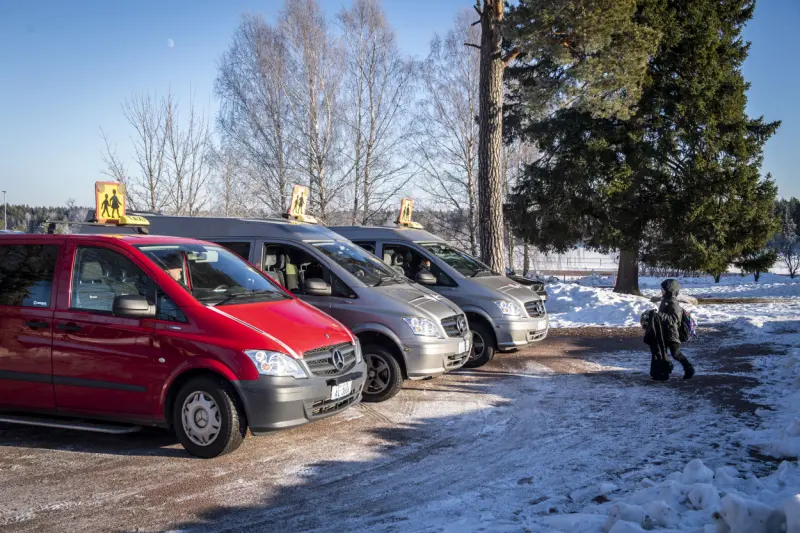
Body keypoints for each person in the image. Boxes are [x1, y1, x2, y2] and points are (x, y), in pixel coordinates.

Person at [643, 279, 695, 381]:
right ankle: (663, 372)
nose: (661, 291)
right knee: (661, 352)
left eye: (663, 289)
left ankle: (689, 369)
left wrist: (659, 315)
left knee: (675, 354)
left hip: (672, 334)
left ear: (669, 290)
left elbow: (674, 319)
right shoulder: (665, 300)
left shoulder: (673, 302)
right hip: (664, 333)